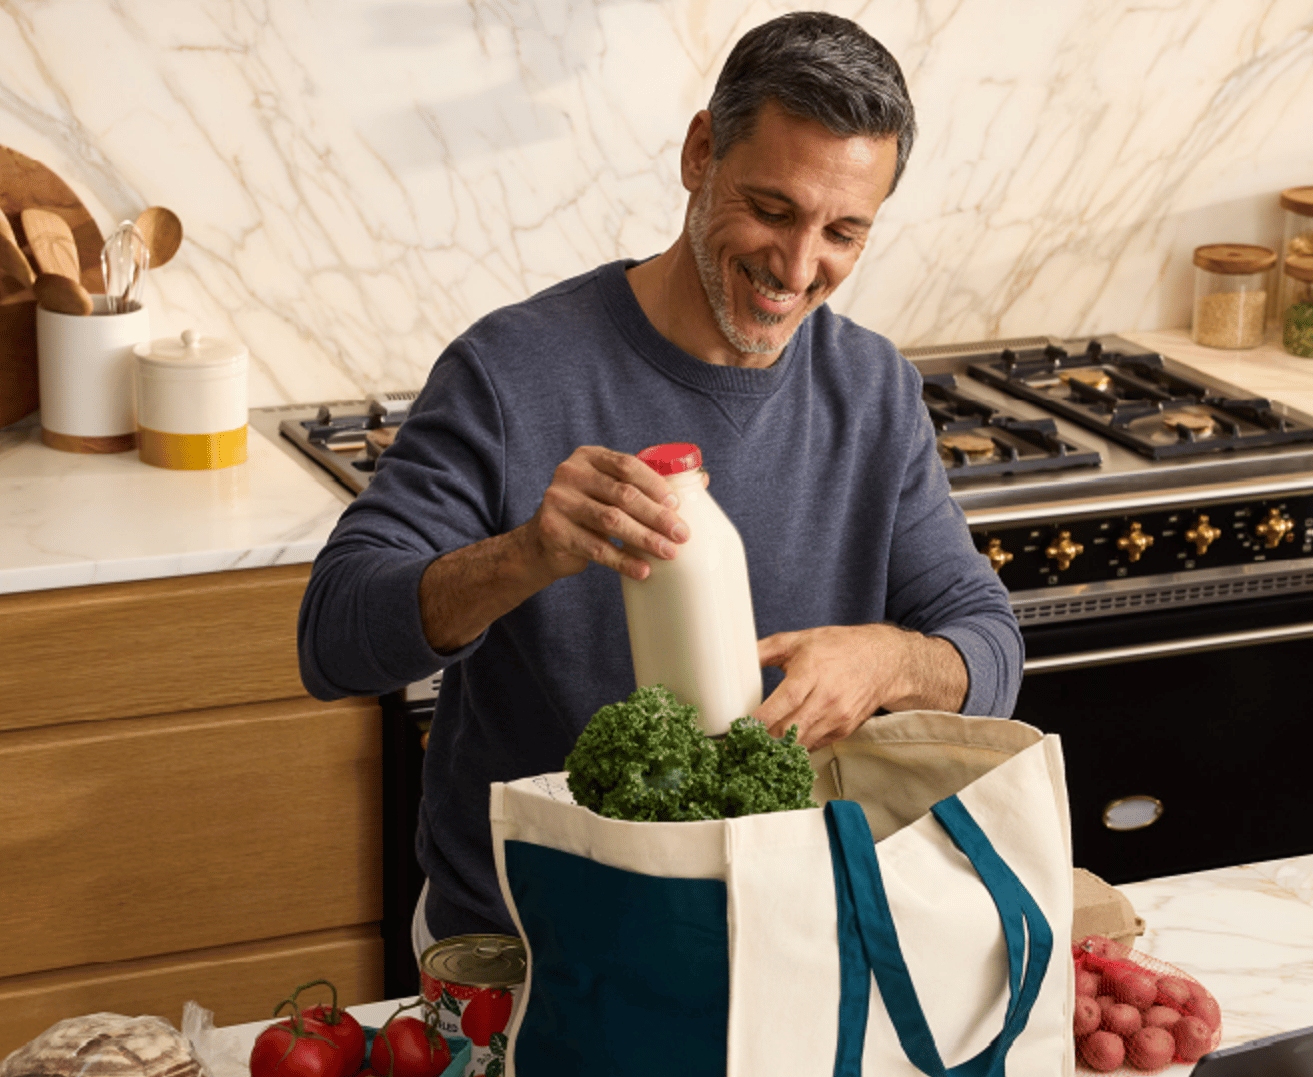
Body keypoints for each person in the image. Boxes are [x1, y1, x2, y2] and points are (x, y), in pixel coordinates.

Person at [297, 11, 1023, 947]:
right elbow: (335, 640)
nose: (798, 267)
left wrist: (890, 661)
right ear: (699, 153)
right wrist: (527, 554)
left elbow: (988, 648)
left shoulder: (871, 388)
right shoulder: (513, 372)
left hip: (781, 931)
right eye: (771, 210)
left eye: (844, 230)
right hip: (530, 948)